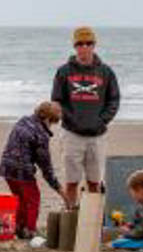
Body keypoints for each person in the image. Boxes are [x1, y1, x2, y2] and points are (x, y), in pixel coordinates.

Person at [51, 26, 120, 207]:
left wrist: (102, 120)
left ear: (94, 45)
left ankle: (92, 219)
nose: (84, 47)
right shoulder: (64, 72)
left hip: (97, 135)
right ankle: (71, 214)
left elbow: (114, 100)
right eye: (80, 44)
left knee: (94, 181)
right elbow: (57, 100)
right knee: (71, 180)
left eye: (88, 43)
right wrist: (70, 119)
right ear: (75, 47)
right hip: (72, 135)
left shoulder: (106, 72)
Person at [0, 101, 66, 239]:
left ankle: (18, 227)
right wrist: (59, 189)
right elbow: (46, 167)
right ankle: (30, 230)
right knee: (33, 199)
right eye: (53, 121)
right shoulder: (41, 135)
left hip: (6, 166)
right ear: (48, 119)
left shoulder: (24, 120)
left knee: (20, 199)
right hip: (23, 170)